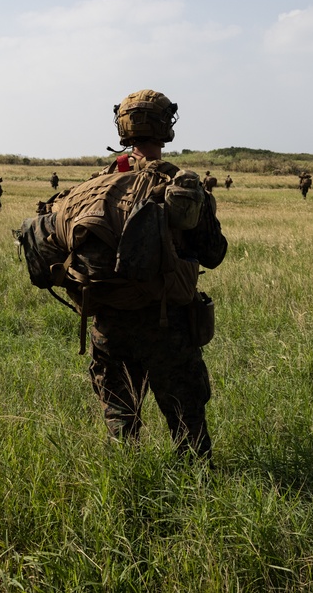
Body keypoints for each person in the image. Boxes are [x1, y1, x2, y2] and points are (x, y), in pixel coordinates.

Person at [87, 89, 227, 460]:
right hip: (169, 328)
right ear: (166, 127)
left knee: (120, 424)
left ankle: (125, 493)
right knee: (189, 429)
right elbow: (214, 254)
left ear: (123, 128)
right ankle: (196, 503)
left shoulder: (95, 185)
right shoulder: (183, 186)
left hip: (109, 325)